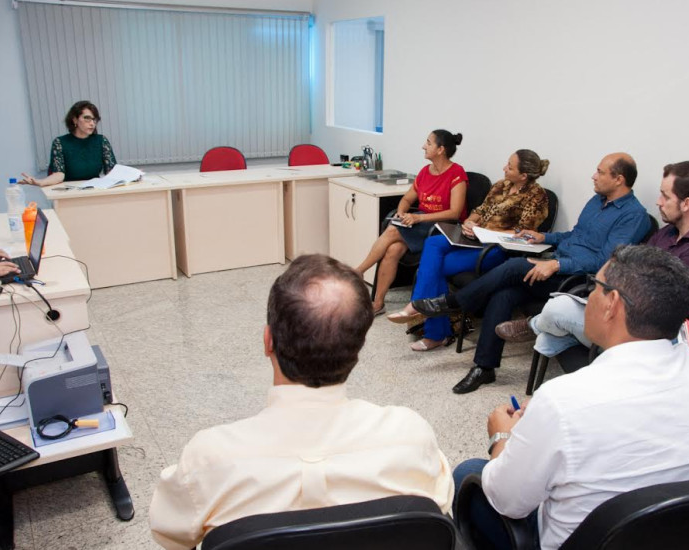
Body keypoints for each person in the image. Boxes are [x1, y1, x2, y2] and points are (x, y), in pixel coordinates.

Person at [149, 255, 453, 550]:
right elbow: (439, 507)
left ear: (268, 341)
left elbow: (170, 535)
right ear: (359, 345)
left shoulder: (209, 458)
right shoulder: (410, 435)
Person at [453, 245, 689, 550]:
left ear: (611, 304)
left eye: (593, 288)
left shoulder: (561, 401)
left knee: (468, 474)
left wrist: (501, 436)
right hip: (681, 534)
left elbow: (508, 501)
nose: (586, 298)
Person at [413, 152, 650, 394]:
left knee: (514, 267)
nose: (593, 176)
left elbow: (604, 261)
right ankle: (484, 368)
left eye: (600, 172)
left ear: (619, 179)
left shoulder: (633, 215)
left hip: (577, 281)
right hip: (555, 264)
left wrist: (556, 266)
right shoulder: (596, 201)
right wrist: (544, 237)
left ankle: (453, 302)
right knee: (503, 294)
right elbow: (574, 236)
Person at [495, 160, 689, 357]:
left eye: (665, 196)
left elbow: (651, 295)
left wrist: (609, 292)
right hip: (630, 311)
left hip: (653, 337)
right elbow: (629, 265)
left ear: (686, 204)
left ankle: (535, 324)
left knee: (559, 309)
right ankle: (558, 336)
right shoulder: (668, 232)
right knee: (557, 319)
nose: (658, 202)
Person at [387, 149, 550, 351]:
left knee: (434, 267)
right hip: (476, 238)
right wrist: (470, 223)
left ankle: (429, 324)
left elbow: (525, 232)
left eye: (509, 166)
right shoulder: (501, 185)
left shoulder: (537, 197)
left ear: (524, 175)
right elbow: (480, 210)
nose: (504, 168)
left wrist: (486, 231)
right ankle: (424, 315)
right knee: (433, 243)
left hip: (498, 249)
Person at [356, 130, 468, 315]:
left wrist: (418, 218)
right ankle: (377, 304)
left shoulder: (457, 173)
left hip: (442, 227)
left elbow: (455, 213)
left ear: (440, 149)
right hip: (421, 223)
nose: (423, 146)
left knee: (392, 231)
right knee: (393, 250)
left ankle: (358, 271)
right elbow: (407, 199)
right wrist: (401, 214)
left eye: (428, 143)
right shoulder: (425, 172)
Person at [20, 100, 117, 187]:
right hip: (70, 192)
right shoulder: (60, 142)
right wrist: (40, 182)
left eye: (94, 119)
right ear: (75, 119)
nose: (92, 123)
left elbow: (112, 172)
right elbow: (58, 175)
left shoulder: (101, 141)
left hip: (94, 190)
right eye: (87, 118)